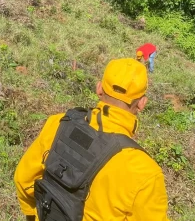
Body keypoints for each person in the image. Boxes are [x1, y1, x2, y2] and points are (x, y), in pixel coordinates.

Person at [14, 58, 170, 221]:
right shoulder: (145, 172)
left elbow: (23, 180)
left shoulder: (58, 124)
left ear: (99, 89)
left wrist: (34, 215)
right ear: (142, 103)